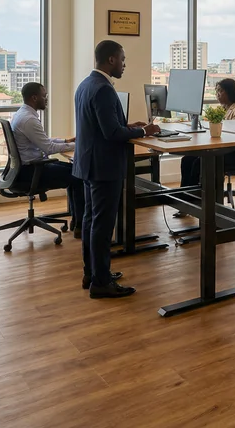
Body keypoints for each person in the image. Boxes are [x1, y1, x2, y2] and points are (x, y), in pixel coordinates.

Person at [73, 40, 160, 299]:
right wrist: (144, 131)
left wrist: (128, 126)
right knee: (102, 225)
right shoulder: (104, 89)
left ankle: (92, 273)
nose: (124, 64)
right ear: (111, 59)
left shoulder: (86, 84)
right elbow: (111, 134)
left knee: (91, 221)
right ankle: (101, 283)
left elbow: (102, 125)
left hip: (88, 163)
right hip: (104, 167)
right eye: (122, 59)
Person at [11, 82, 84, 236]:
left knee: (75, 170)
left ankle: (77, 221)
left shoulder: (22, 114)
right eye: (44, 96)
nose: (46, 99)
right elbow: (49, 148)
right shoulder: (29, 120)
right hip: (31, 171)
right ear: (34, 98)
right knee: (78, 176)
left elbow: (42, 141)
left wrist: (66, 141)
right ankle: (80, 225)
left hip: (26, 168)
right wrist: (79, 145)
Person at [179, 78, 235, 190]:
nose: (217, 94)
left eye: (220, 91)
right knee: (187, 160)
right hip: (218, 149)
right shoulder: (223, 109)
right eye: (216, 91)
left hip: (233, 153)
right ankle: (186, 195)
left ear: (230, 92)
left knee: (198, 163)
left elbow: (234, 136)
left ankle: (201, 195)